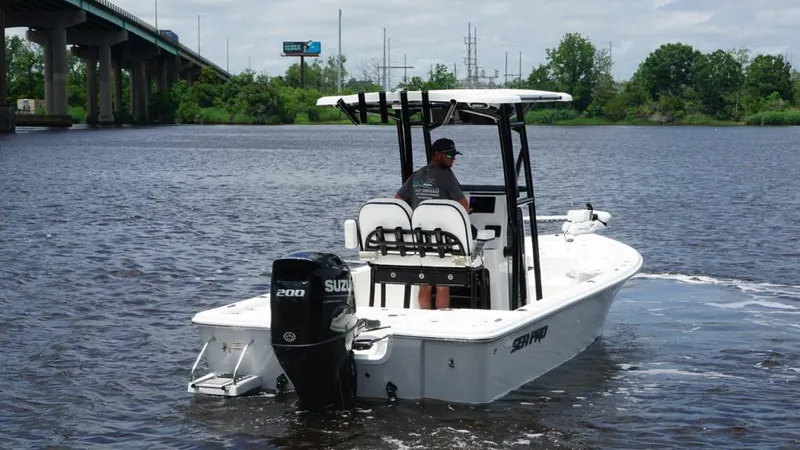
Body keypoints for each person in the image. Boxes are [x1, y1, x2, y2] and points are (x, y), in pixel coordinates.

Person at [395, 137, 470, 310]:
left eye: (454, 155)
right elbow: (464, 205)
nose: (453, 158)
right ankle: (441, 320)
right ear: (436, 155)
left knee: (425, 283)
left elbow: (398, 200)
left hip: (419, 238)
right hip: (442, 238)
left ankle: (424, 318)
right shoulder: (446, 175)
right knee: (443, 284)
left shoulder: (417, 175)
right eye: (450, 154)